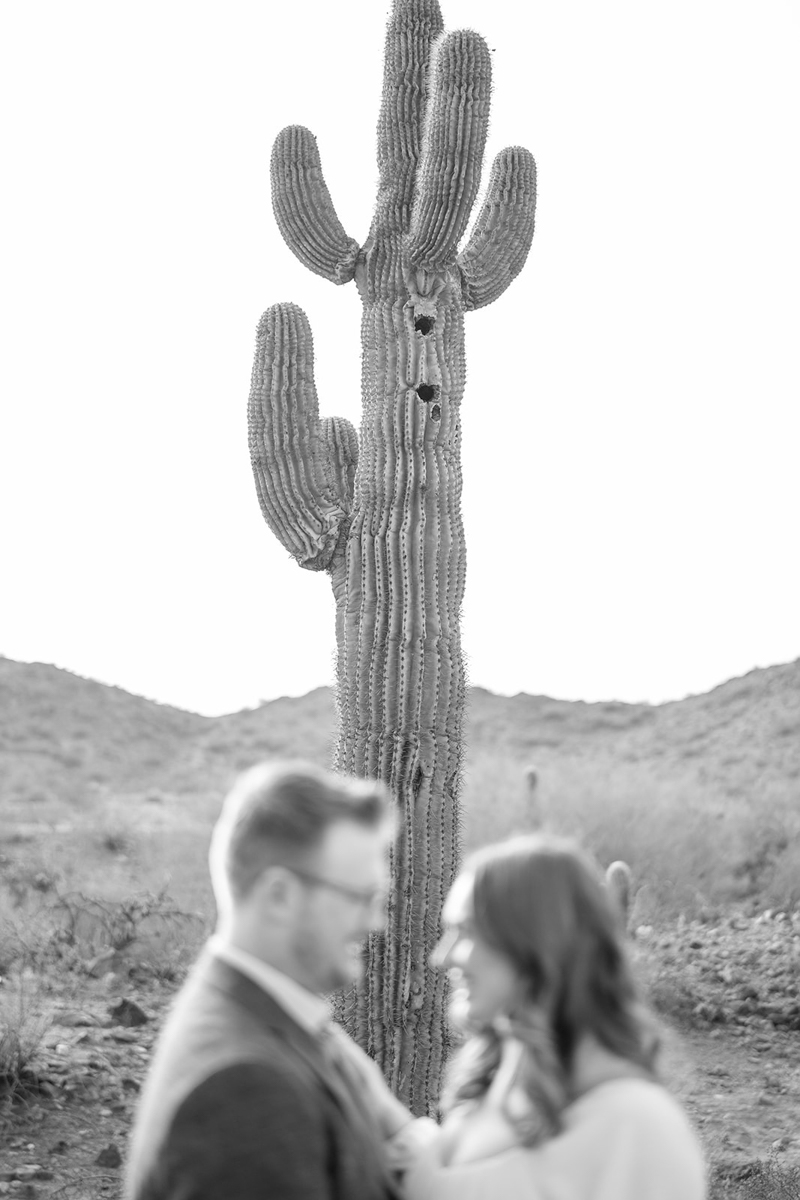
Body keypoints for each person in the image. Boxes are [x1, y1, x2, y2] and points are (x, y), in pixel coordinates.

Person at [124, 759, 404, 1200]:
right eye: (362, 897)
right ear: (280, 896)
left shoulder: (260, 1017)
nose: (377, 922)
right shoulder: (246, 1092)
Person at [390, 833, 707, 1200]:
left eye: (465, 932)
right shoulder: (497, 1073)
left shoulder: (639, 1125)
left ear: (533, 943)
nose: (441, 957)